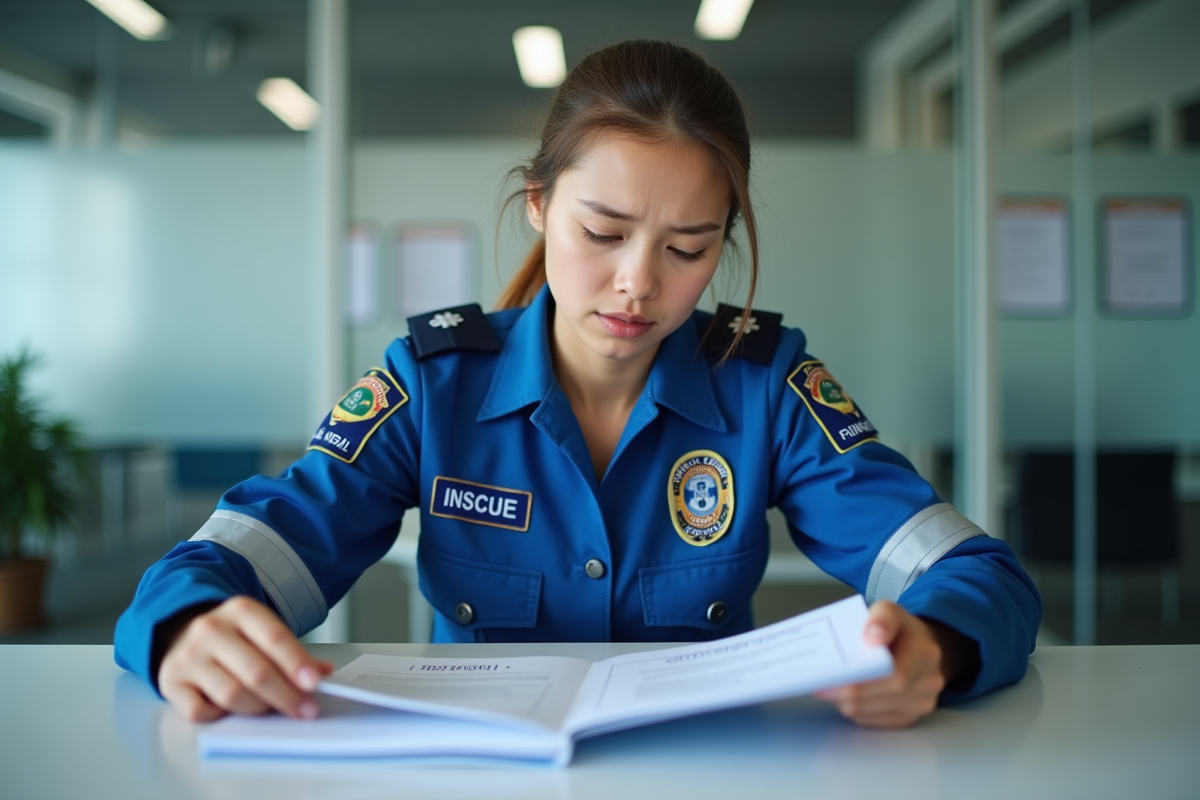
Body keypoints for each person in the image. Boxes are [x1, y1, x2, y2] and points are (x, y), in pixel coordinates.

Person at [115, 39, 1041, 730]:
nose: (640, 282)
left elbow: (977, 574)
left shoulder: (767, 387)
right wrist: (190, 624)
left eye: (689, 248)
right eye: (603, 234)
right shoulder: (432, 385)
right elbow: (238, 554)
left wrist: (940, 648)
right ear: (538, 206)